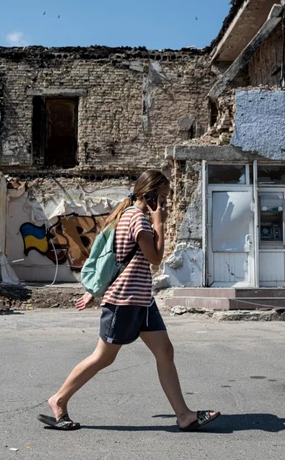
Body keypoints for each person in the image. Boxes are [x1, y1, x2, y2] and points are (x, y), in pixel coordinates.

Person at [37, 169, 220, 431]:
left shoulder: (131, 216)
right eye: (163, 198)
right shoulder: (138, 220)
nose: (165, 204)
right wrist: (160, 223)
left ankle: (184, 415)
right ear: (151, 196)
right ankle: (58, 399)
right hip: (125, 301)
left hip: (142, 300)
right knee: (103, 358)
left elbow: (123, 260)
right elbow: (155, 260)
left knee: (165, 352)